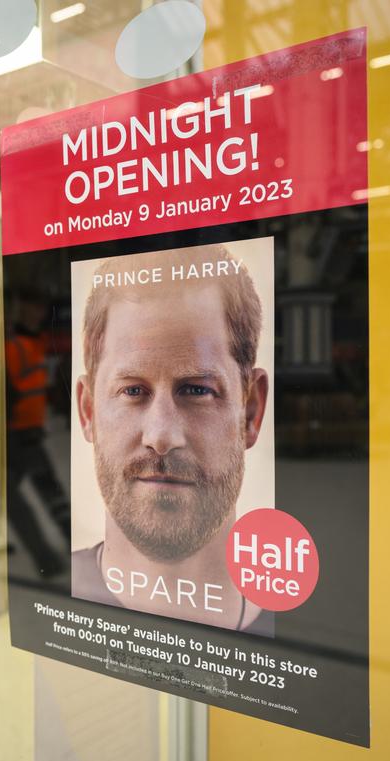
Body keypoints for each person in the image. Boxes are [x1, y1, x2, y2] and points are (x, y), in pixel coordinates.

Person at [71, 244, 273, 635]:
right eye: (132, 391)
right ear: (88, 411)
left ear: (251, 411)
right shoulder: (53, 597)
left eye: (196, 390)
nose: (161, 436)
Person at [5, 288, 71, 578]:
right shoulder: (13, 346)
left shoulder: (38, 342)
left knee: (47, 492)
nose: (38, 312)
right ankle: (52, 557)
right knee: (37, 493)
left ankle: (67, 548)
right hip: (14, 434)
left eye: (40, 307)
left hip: (29, 430)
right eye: (32, 306)